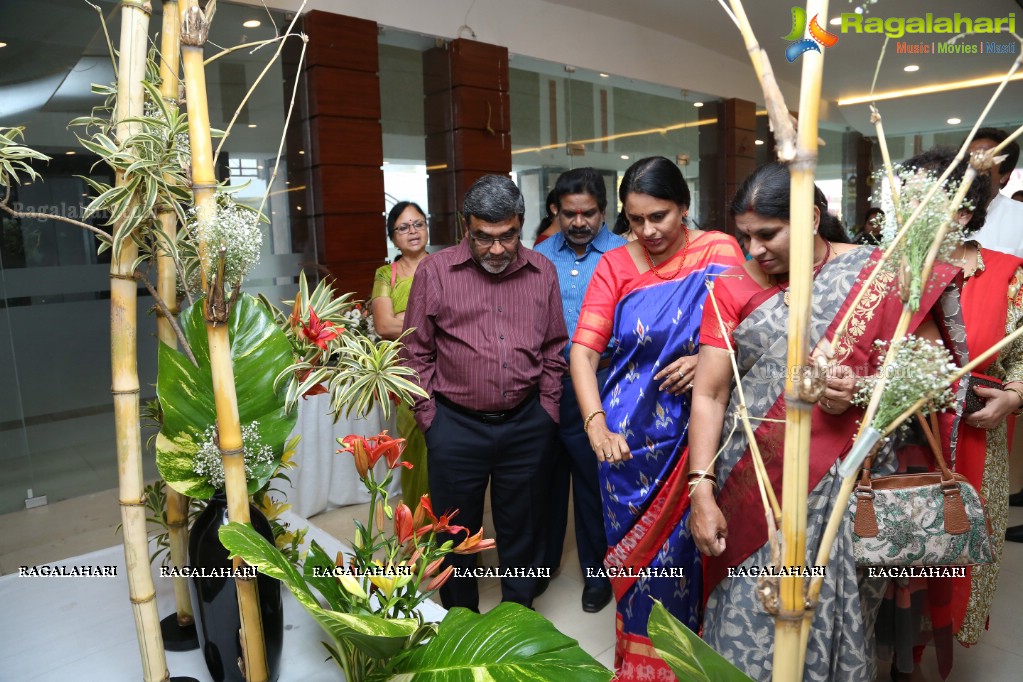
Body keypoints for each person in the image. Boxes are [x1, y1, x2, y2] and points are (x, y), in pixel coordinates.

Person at [688, 161, 962, 681]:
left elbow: (931, 381)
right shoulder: (730, 287)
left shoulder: (880, 276)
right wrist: (700, 490)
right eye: (745, 237)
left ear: (812, 218)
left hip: (844, 485)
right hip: (755, 488)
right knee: (746, 614)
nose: (754, 251)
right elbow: (710, 391)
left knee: (828, 614)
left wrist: (858, 391)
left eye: (767, 234)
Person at [570, 156, 745, 680]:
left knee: (691, 562)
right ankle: (641, 669)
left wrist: (709, 356)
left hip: (697, 439)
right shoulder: (614, 266)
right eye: (635, 219)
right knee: (637, 571)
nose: (647, 231)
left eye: (660, 217)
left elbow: (757, 330)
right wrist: (595, 423)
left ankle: (691, 667)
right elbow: (583, 353)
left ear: (685, 208)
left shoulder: (720, 252)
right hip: (624, 447)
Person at [879, 149, 1023, 678]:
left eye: (926, 202)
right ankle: (890, 654)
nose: (908, 213)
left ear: (963, 213)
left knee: (947, 556)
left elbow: (1021, 355)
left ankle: (919, 657)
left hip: (971, 440)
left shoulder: (1006, 274)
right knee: (887, 549)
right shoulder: (884, 273)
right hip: (891, 442)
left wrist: (1016, 394)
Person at [401, 175, 568, 611]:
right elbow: (413, 353)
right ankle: (460, 621)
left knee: (522, 528)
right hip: (455, 427)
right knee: (454, 533)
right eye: (484, 238)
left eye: (507, 236)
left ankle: (518, 617)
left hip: (526, 425)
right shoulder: (435, 272)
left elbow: (554, 347)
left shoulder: (542, 272)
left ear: (521, 225)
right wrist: (431, 420)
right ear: (465, 227)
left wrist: (548, 409)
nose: (497, 249)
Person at [534, 167, 626, 613]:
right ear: (556, 210)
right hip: (548, 385)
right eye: (569, 213)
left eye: (588, 213)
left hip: (602, 385)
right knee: (545, 482)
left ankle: (596, 573)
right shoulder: (538, 256)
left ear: (603, 211)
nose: (579, 222)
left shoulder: (624, 255)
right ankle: (541, 566)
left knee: (593, 484)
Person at [371, 201, 430, 505]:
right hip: (407, 376)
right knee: (414, 444)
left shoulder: (444, 266)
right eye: (404, 227)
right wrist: (429, 320)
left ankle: (449, 530)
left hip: (446, 371)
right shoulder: (386, 274)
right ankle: (419, 528)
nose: (413, 231)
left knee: (444, 449)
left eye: (418, 223)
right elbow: (383, 324)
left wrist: (403, 316)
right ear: (393, 237)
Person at [964, 127, 1023, 258]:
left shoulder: (1020, 217)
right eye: (967, 162)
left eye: (982, 165)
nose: (969, 171)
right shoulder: (937, 214)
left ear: (1004, 176)